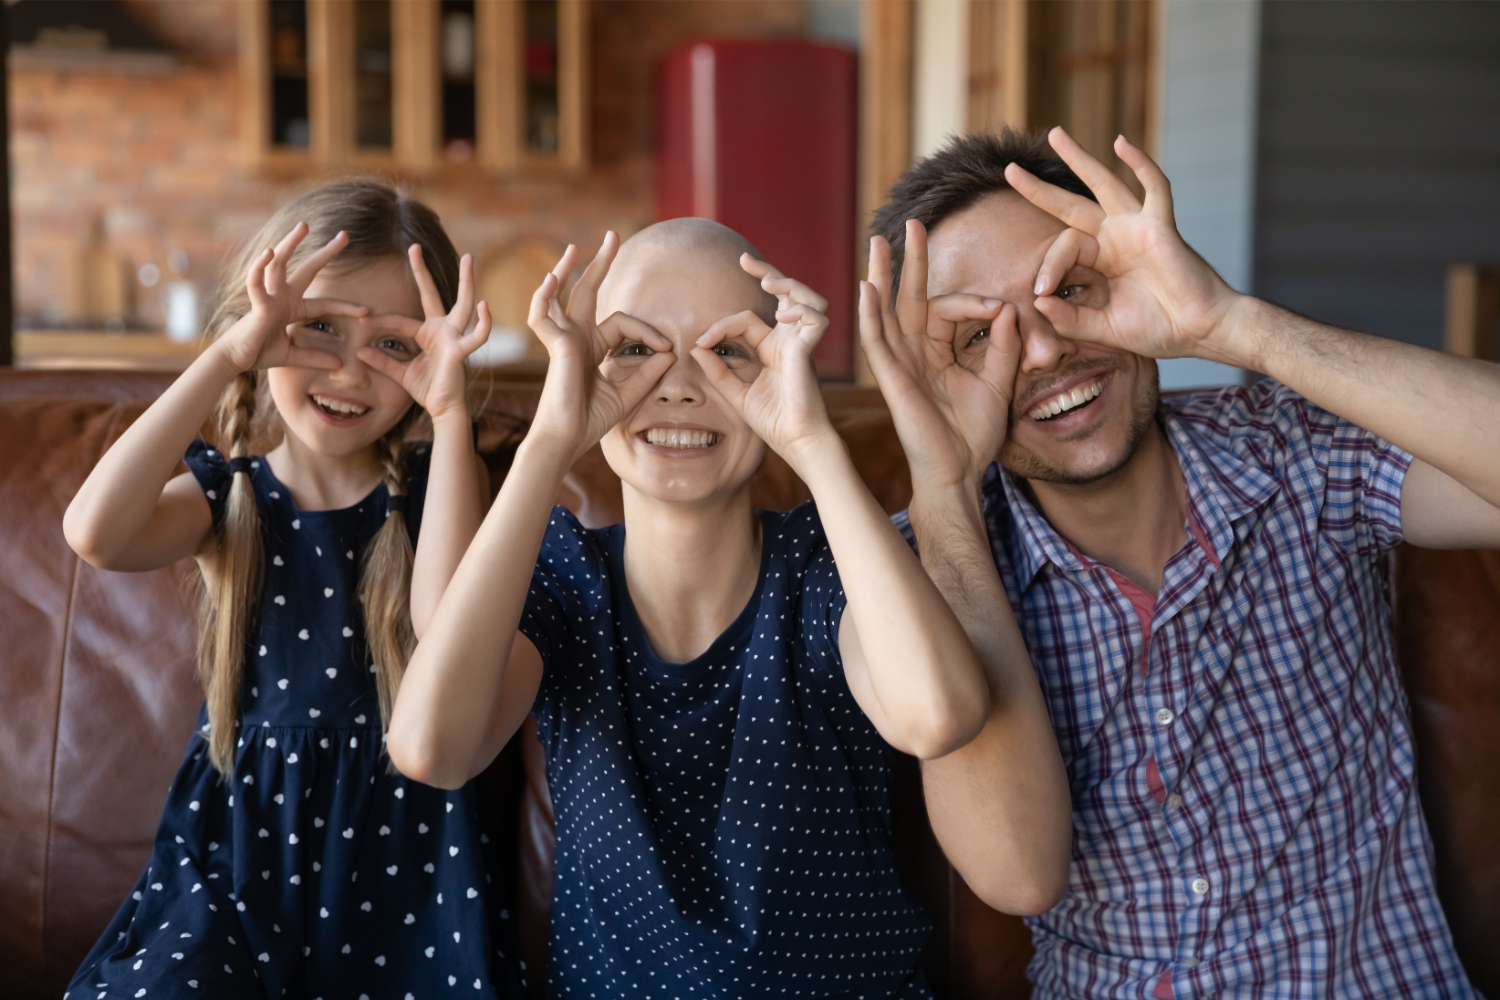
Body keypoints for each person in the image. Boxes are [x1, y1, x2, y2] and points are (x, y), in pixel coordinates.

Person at [859, 125, 1498, 998]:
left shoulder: (1292, 452)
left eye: (1069, 291)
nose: (1043, 351)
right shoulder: (912, 572)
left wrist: (1229, 324)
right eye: (978, 338)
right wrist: (943, 485)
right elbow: (1017, 875)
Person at [385, 218, 1072, 998]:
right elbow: (431, 747)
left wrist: (810, 440)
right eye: (634, 349)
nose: (679, 386)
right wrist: (551, 437)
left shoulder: (829, 564)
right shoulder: (566, 579)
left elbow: (938, 715)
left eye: (729, 350)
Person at [61, 181, 522, 999]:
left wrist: (452, 417)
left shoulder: (441, 485)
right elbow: (96, 533)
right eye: (320, 327)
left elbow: (448, 628)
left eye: (393, 344)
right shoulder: (229, 494)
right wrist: (229, 354)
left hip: (405, 856)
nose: (349, 369)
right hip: (239, 854)